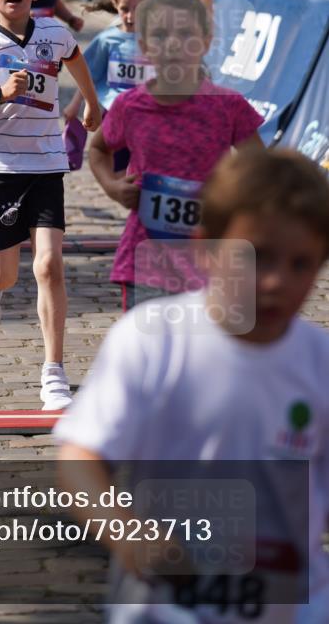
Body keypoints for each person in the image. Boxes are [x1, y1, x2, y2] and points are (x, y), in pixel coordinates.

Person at [55, 147, 329, 623]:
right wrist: (128, 534)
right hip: (165, 605)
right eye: (257, 257)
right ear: (206, 248)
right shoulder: (153, 340)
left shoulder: (319, 361)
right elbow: (80, 459)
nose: (276, 282)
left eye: (301, 264)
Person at [0, 0, 102, 410]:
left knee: (49, 265)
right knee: (6, 273)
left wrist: (91, 102)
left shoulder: (54, 33)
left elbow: (75, 57)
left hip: (46, 163)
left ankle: (54, 372)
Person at [88, 0, 264, 311]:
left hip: (211, 257)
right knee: (148, 341)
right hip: (147, 255)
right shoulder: (129, 106)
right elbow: (98, 149)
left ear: (206, 41)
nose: (172, 44)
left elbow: (261, 169)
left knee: (207, 340)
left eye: (185, 34)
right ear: (144, 45)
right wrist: (112, 186)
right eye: (160, 35)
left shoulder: (228, 107)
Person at [62, 0, 151, 169]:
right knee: (118, 165)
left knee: (145, 166)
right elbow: (89, 74)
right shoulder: (107, 40)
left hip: (147, 115)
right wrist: (75, 105)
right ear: (115, 4)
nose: (131, 16)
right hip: (115, 112)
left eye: (137, 9)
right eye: (125, 9)